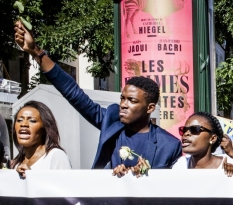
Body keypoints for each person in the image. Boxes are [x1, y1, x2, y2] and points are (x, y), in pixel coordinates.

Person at [14, 21, 182, 174]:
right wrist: (35, 50)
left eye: (132, 101)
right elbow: (73, 93)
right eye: (123, 98)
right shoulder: (110, 121)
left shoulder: (169, 145)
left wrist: (144, 177)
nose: (123, 105)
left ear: (150, 108)